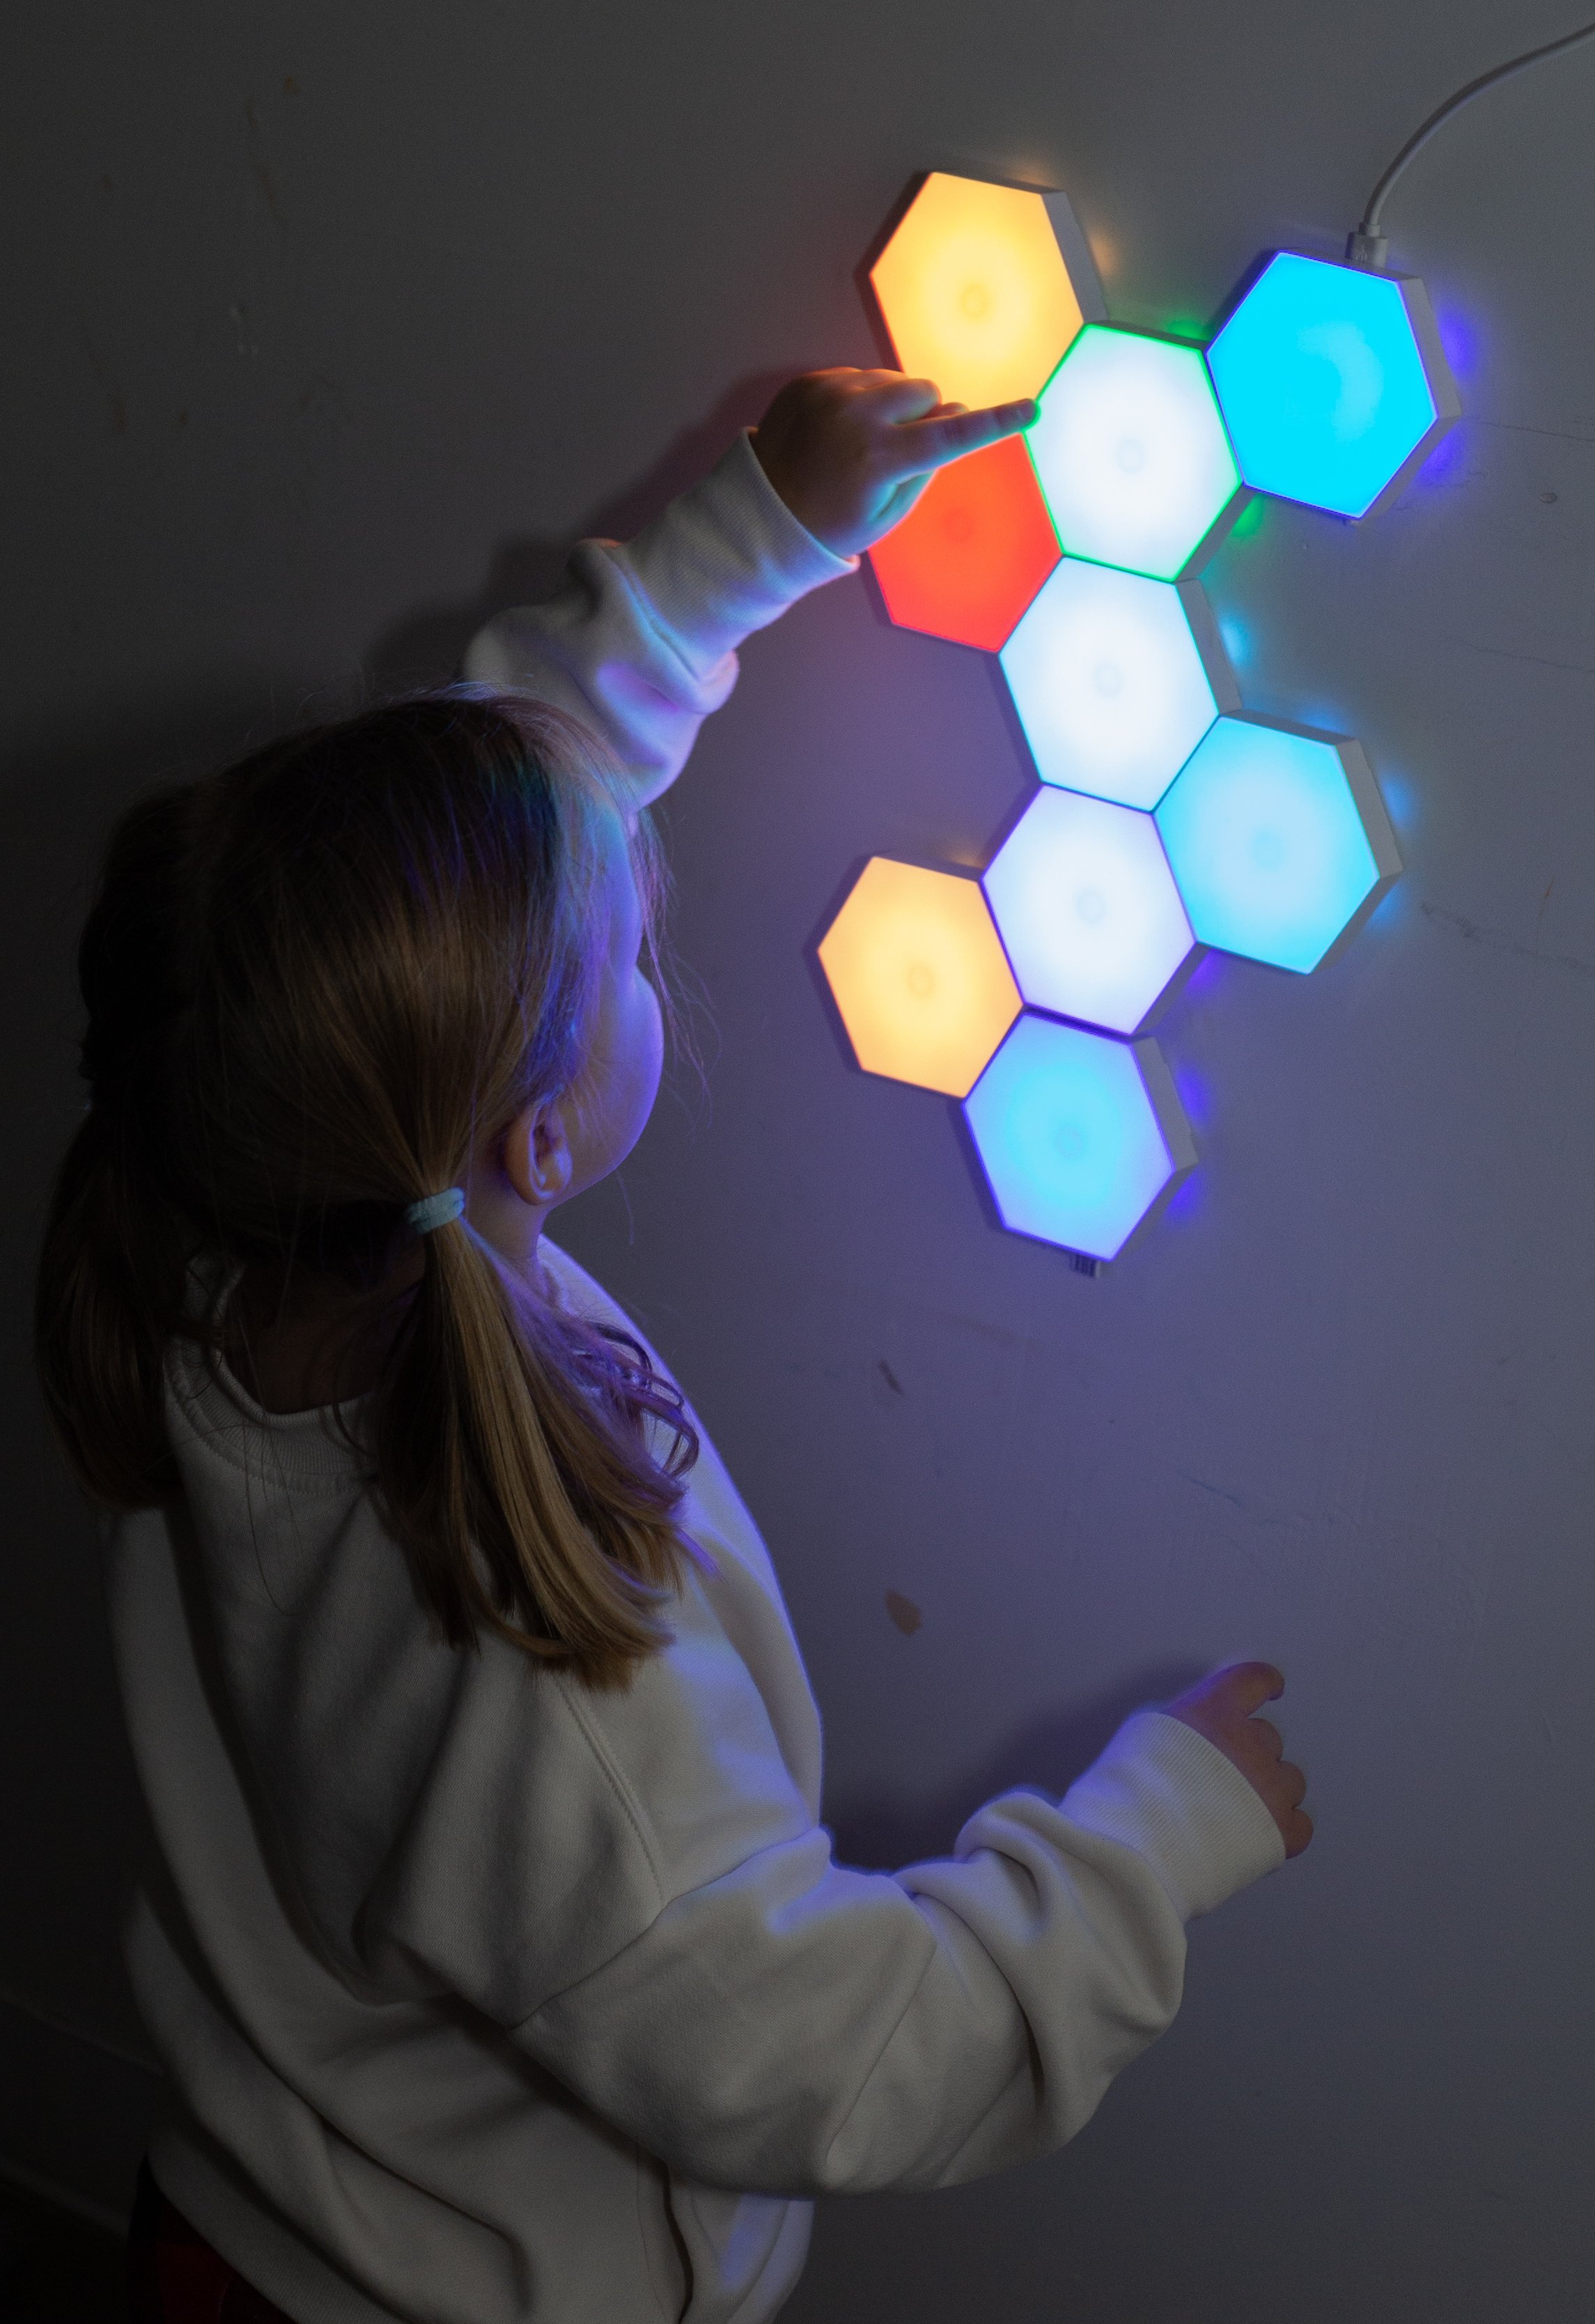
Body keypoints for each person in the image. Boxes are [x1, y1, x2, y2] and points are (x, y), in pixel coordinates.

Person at [36, 369, 1312, 2324]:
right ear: (537, 1129)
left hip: (254, 2203)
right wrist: (1162, 1829)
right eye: (628, 949)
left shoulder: (239, 1205)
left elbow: (480, 818)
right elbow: (834, 2051)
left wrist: (752, 535)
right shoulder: (543, 1690)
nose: (654, 908)